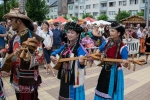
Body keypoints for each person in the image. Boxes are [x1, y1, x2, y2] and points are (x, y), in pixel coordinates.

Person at [3, 7, 43, 100]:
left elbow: (40, 58)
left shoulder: (34, 38)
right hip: (16, 79)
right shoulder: (13, 37)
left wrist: (28, 58)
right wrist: (11, 56)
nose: (9, 22)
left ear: (19, 21)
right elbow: (8, 54)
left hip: (28, 81)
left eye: (11, 20)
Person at [50, 22, 86, 100]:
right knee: (63, 94)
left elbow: (82, 64)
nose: (69, 34)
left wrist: (81, 62)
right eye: (68, 32)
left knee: (72, 95)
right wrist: (52, 56)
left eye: (72, 33)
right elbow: (54, 52)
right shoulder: (65, 46)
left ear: (77, 35)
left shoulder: (80, 48)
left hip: (74, 77)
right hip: (64, 75)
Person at [94, 22, 128, 100]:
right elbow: (98, 51)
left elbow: (125, 64)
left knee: (112, 91)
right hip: (105, 69)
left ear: (119, 33)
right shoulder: (106, 42)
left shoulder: (123, 47)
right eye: (110, 30)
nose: (110, 32)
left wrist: (125, 63)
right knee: (101, 89)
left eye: (113, 31)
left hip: (115, 71)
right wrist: (101, 55)